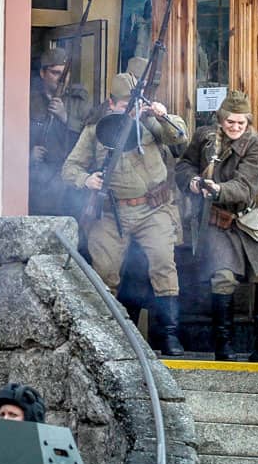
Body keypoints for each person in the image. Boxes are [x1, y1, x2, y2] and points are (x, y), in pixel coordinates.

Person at [62, 73, 188, 356]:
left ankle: (169, 334)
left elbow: (180, 138)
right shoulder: (96, 129)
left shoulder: (150, 121)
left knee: (163, 263)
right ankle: (106, 337)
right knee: (105, 272)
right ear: (111, 103)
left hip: (153, 209)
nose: (129, 111)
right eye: (123, 106)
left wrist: (164, 116)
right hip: (111, 213)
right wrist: (86, 180)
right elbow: (69, 168)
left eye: (133, 105)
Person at [176, 91, 258, 361]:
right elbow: (184, 165)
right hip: (215, 220)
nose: (235, 127)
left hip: (246, 217)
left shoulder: (255, 146)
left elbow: (245, 186)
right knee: (223, 276)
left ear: (248, 123)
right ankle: (223, 344)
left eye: (241, 123)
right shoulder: (204, 137)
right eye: (230, 122)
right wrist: (192, 182)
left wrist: (219, 189)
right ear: (221, 119)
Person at [29, 47, 95, 216]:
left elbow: (91, 138)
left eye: (65, 74)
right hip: (39, 181)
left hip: (69, 179)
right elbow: (14, 137)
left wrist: (65, 117)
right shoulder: (30, 101)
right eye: (55, 73)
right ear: (43, 73)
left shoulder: (79, 101)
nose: (61, 79)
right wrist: (29, 155)